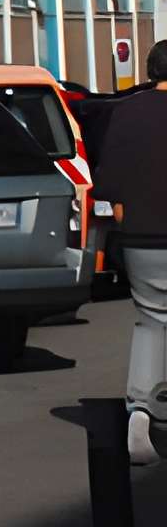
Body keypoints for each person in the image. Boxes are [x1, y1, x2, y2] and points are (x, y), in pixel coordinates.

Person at [92, 40, 167, 464]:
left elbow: (109, 182)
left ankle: (141, 410)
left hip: (141, 236)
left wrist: (124, 215)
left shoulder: (127, 112)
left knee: (152, 321)